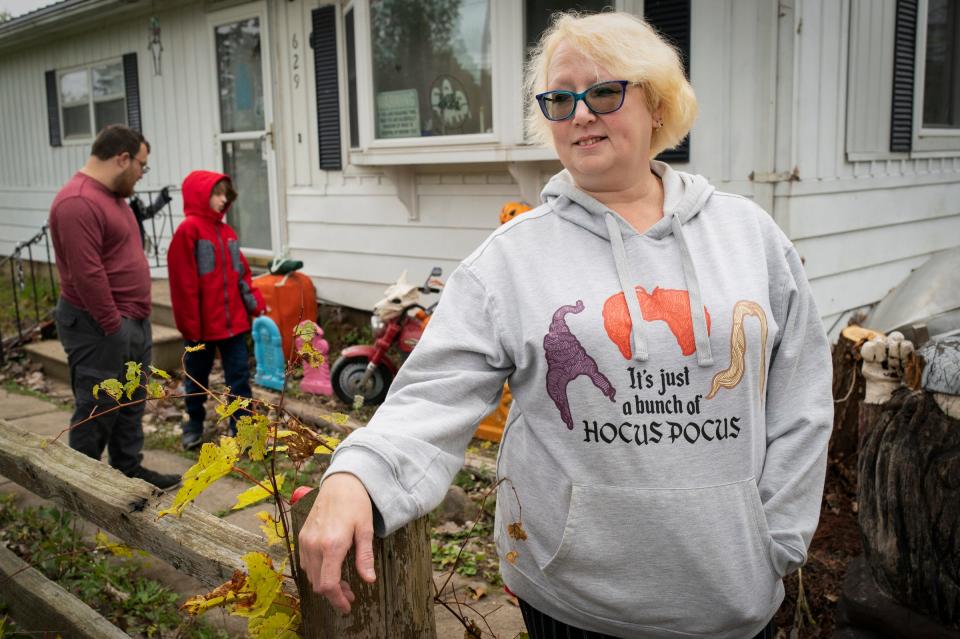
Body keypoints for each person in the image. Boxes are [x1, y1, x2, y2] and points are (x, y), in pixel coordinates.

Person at [298, 11, 833, 639]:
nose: (580, 114)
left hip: (729, 599)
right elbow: (431, 393)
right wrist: (356, 474)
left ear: (657, 103)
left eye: (604, 91)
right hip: (573, 601)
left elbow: (801, 400)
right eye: (559, 98)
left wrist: (775, 541)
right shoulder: (512, 257)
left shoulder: (749, 237)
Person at [49, 124, 180, 491]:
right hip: (99, 325)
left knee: (131, 401)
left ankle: (127, 470)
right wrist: (113, 326)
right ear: (122, 158)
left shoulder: (113, 197)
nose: (141, 174)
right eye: (142, 165)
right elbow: (86, 273)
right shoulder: (77, 201)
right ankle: (82, 485)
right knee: (98, 406)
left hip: (131, 320)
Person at [166, 171, 265, 451]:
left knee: (239, 378)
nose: (223, 200)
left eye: (226, 195)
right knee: (197, 379)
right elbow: (183, 283)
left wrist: (254, 303)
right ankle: (193, 423)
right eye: (217, 194)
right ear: (201, 195)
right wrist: (190, 326)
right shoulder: (189, 231)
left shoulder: (228, 233)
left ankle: (242, 429)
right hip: (201, 328)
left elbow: (241, 274)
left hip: (234, 323)